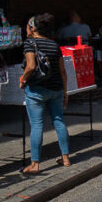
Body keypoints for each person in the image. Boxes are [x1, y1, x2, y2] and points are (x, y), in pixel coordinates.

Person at [19, 13, 70, 173]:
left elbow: (31, 66)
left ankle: (35, 164)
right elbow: (62, 71)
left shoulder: (29, 43)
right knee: (59, 122)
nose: (25, 28)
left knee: (37, 126)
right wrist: (65, 92)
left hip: (37, 90)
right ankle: (66, 158)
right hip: (56, 90)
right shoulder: (55, 45)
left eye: (27, 25)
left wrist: (22, 79)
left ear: (33, 28)